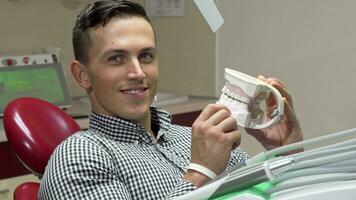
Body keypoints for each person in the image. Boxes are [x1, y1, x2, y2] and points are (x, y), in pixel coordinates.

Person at [38, 0, 303, 199]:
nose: (138, 73)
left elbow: (264, 193)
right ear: (82, 75)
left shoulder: (191, 138)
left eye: (146, 56)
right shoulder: (80, 157)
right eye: (116, 58)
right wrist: (200, 173)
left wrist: (284, 152)